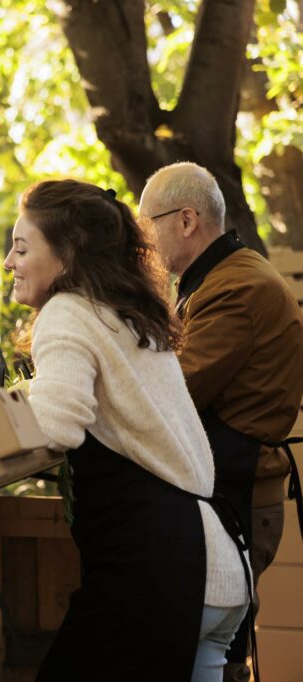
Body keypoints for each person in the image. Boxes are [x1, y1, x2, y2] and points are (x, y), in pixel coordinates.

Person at [3, 180, 250, 681]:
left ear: (67, 256)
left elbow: (57, 426)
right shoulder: (129, 315)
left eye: (22, 247)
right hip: (216, 569)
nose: (9, 261)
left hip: (157, 572)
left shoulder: (67, 312)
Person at [139, 162, 303, 680]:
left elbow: (175, 393)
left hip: (238, 498)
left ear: (186, 220)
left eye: (149, 226)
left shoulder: (236, 288)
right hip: (225, 493)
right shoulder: (216, 278)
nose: (144, 243)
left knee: (214, 660)